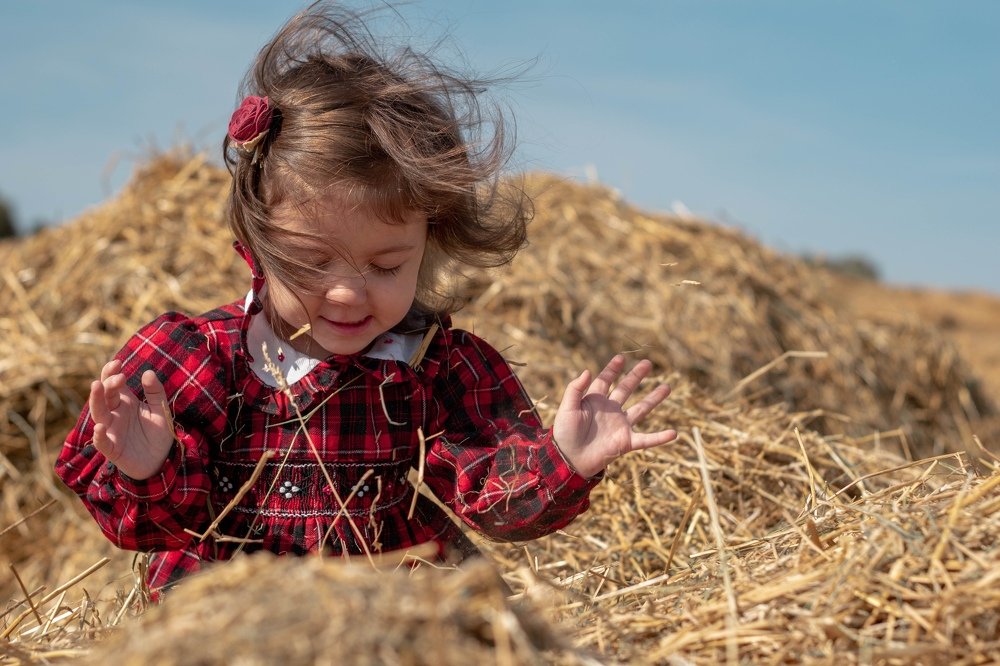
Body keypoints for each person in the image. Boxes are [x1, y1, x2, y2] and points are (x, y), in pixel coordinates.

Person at [55, 2, 677, 595]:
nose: (348, 292)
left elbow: (490, 500)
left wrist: (563, 458)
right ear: (257, 243)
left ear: (427, 242)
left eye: (385, 265)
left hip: (386, 599)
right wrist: (146, 467)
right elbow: (153, 530)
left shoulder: (427, 366)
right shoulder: (201, 364)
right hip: (232, 614)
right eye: (312, 261)